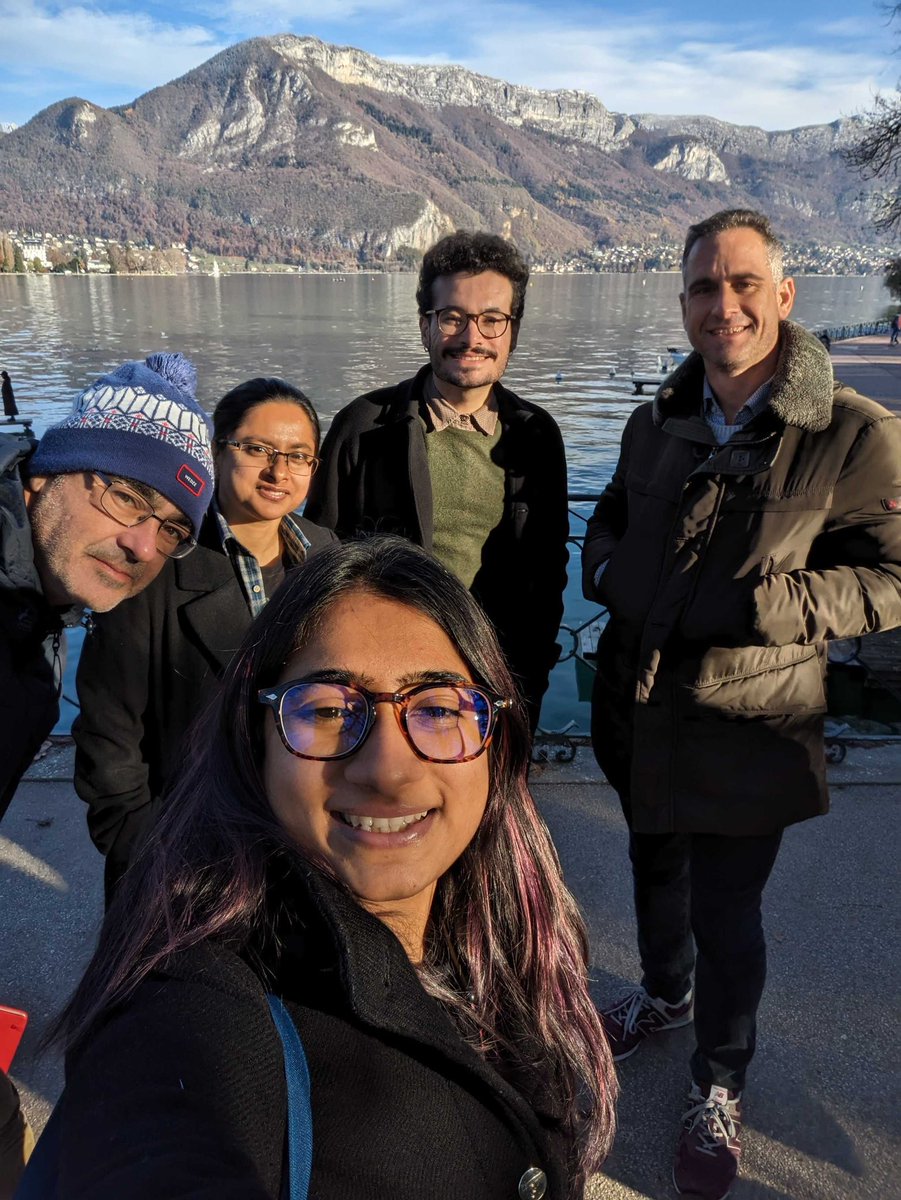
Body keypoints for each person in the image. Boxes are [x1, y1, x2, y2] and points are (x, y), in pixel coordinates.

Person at [49, 537, 616, 1199]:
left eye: (436, 707)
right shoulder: (195, 1010)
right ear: (252, 741)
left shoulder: (514, 931)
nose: (385, 769)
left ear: (497, 741)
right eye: (325, 709)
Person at [581, 209, 901, 1200]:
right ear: (681, 301)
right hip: (635, 707)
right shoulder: (655, 419)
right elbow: (612, 517)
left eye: (742, 284)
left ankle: (718, 1080)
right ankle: (662, 997)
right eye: (702, 288)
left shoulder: (849, 434)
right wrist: (601, 572)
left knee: (729, 911)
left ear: (784, 296)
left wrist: (777, 605)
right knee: (651, 868)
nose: (723, 305)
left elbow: (891, 577)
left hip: (749, 725)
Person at [0, 351, 213, 1199]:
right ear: (47, 470)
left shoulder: (35, 610)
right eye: (123, 492)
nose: (142, 541)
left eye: (172, 526)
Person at [74, 377, 336, 902]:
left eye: (298, 455)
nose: (278, 471)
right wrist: (143, 847)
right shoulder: (156, 562)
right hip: (186, 848)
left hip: (301, 837)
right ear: (215, 452)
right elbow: (110, 730)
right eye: (256, 449)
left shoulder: (326, 557)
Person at [305, 230, 568, 731]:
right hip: (383, 680)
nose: (473, 338)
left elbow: (549, 567)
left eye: (492, 320)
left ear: (513, 329)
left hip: (496, 676)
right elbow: (321, 553)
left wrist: (532, 674)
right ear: (425, 325)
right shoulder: (364, 426)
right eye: (453, 318)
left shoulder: (537, 437)